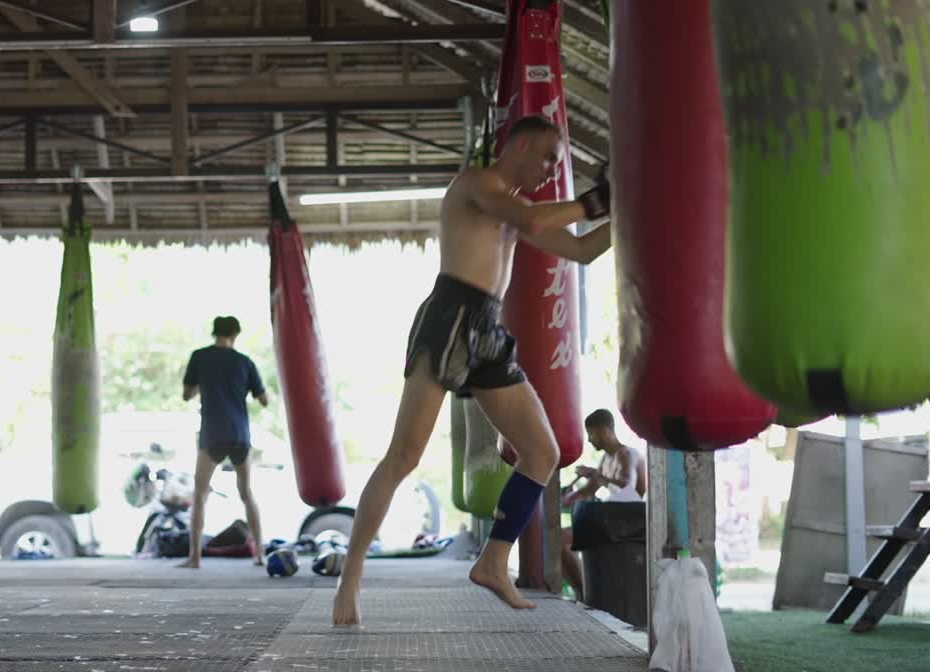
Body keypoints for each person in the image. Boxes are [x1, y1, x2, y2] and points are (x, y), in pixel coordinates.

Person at [331, 115, 613, 626]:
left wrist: (631, 210)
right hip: (450, 316)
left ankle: (492, 562)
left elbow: (582, 250)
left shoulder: (524, 208)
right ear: (521, 146)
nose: (553, 169)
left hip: (488, 327)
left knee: (543, 452)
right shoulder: (477, 184)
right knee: (404, 457)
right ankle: (349, 580)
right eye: (549, 156)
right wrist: (600, 199)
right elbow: (532, 223)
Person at [179, 315, 270, 569]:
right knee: (247, 493)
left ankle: (195, 557)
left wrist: (204, 383)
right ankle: (260, 554)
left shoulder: (200, 357)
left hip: (213, 433)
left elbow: (187, 394)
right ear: (235, 335)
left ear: (214, 333)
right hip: (240, 433)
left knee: (199, 494)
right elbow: (264, 400)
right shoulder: (245, 362)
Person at [559, 408, 647, 600]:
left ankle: (587, 596)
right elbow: (587, 491)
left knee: (562, 539)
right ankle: (583, 594)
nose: (589, 440)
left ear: (604, 431)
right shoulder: (605, 460)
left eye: (591, 433)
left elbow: (628, 488)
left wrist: (597, 476)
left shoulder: (627, 454)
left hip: (629, 523)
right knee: (556, 539)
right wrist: (562, 500)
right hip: (610, 520)